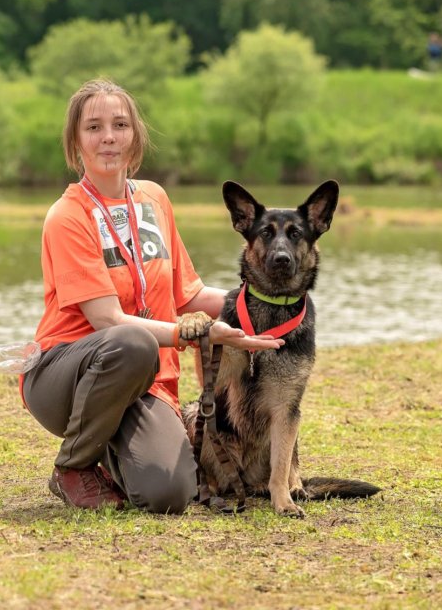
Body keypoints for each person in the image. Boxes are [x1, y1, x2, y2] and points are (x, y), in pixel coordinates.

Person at [21, 78, 284, 514]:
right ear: (75, 141)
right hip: (65, 374)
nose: (108, 136)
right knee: (133, 342)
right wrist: (195, 334)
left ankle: (115, 450)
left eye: (120, 124)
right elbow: (107, 321)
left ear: (135, 135)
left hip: (145, 380)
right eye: (94, 127)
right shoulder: (66, 216)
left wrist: (265, 307)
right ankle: (72, 467)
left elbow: (191, 293)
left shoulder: (154, 200)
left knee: (170, 493)